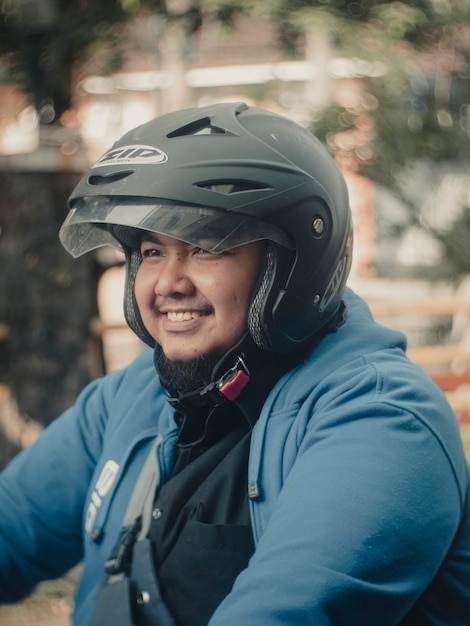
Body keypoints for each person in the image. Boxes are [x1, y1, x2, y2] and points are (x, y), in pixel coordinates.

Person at [0, 101, 469, 626]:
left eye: (204, 247)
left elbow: (287, 611)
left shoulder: (382, 421)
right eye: (152, 251)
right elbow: (13, 525)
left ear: (290, 265)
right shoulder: (137, 394)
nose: (168, 282)